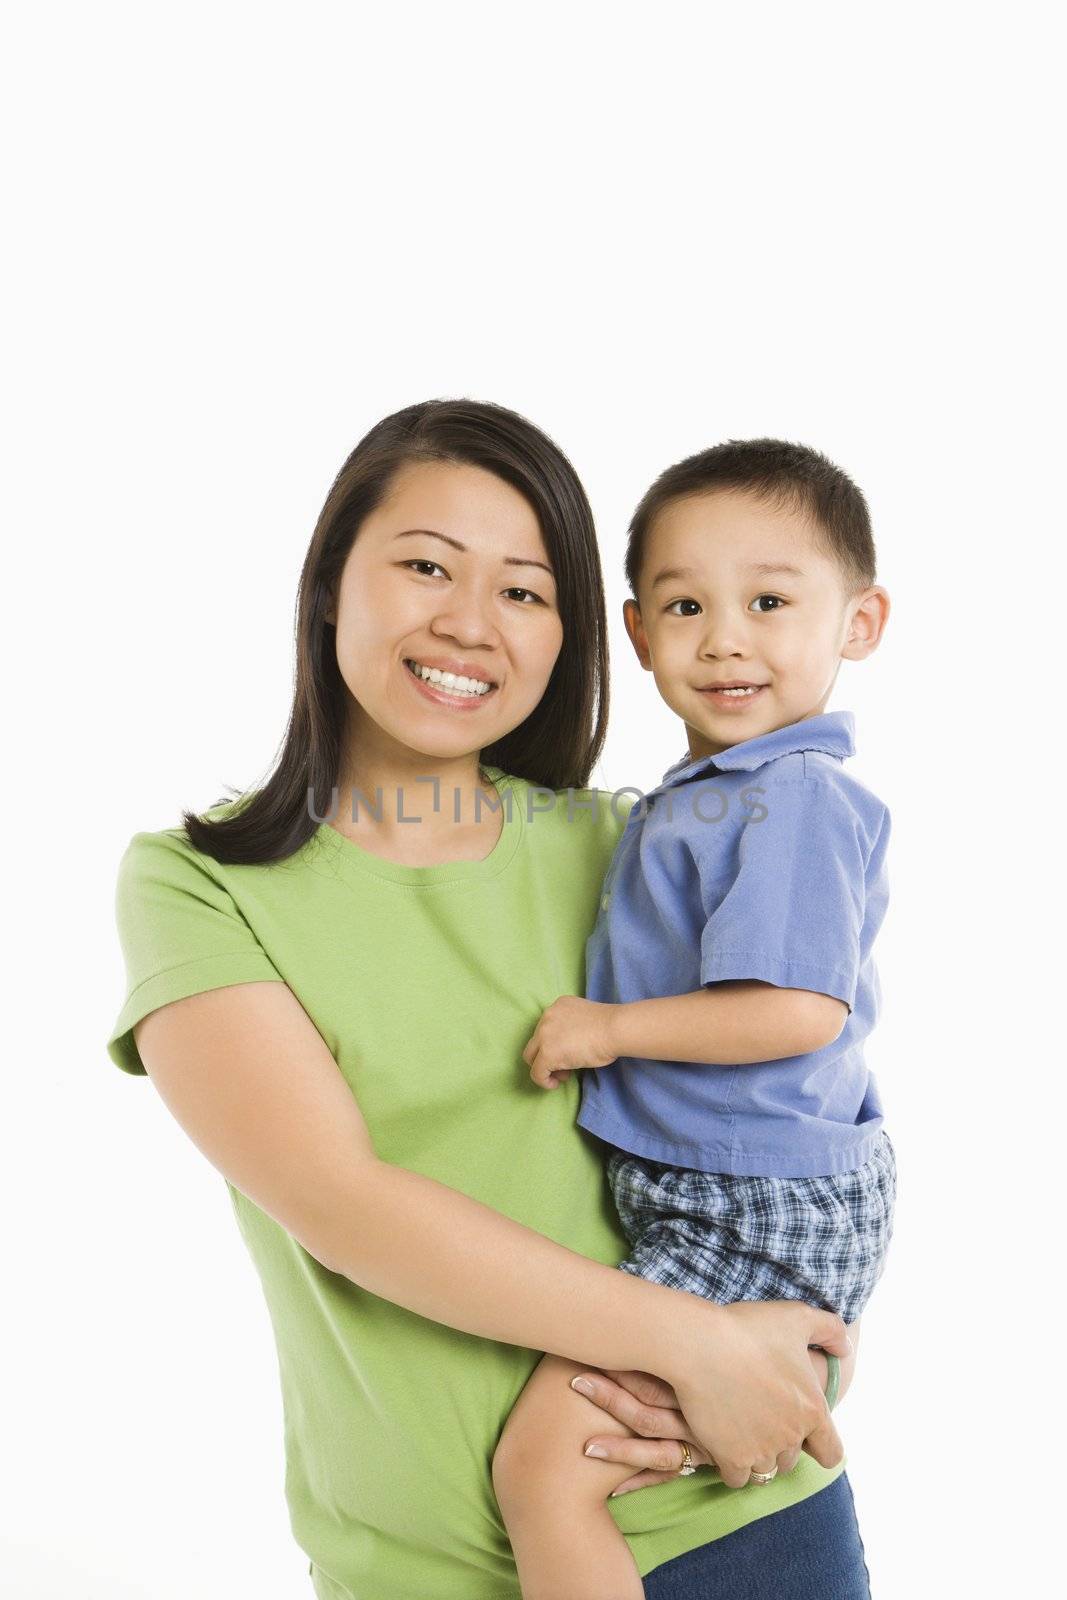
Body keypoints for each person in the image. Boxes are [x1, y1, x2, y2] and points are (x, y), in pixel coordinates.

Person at [106, 401, 863, 1600]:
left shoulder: (625, 843)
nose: (468, 622)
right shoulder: (198, 886)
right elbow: (341, 1202)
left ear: (569, 634)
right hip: (425, 1566)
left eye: (522, 590)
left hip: (736, 1513)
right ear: (327, 585)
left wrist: (803, 1332)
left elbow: (792, 1093)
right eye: (423, 567)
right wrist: (698, 1344)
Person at [491, 438, 895, 1599]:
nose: (724, 637)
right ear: (635, 632)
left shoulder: (792, 798)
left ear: (857, 622)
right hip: (730, 1183)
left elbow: (794, 1011)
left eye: (769, 600)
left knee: (543, 1470)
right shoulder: (712, 792)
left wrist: (607, 1031)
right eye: (684, 605)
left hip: (750, 1197)